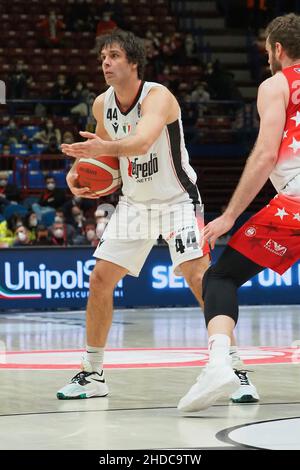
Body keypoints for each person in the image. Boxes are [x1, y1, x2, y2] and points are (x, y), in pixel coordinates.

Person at [58, 29, 257, 401]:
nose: (106, 62)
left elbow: (142, 141)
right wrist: (79, 172)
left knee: (199, 279)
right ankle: (93, 372)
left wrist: (105, 147)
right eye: (103, 56)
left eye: (115, 56)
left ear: (134, 63)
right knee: (100, 279)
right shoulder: (103, 104)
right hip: (134, 204)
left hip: (177, 200)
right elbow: (104, 155)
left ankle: (235, 368)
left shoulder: (158, 97)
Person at [178, 13, 300, 412]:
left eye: (267, 50)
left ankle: (218, 366)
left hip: (295, 202)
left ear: (277, 50)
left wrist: (229, 216)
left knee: (221, 276)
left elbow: (266, 154)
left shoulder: (276, 85)